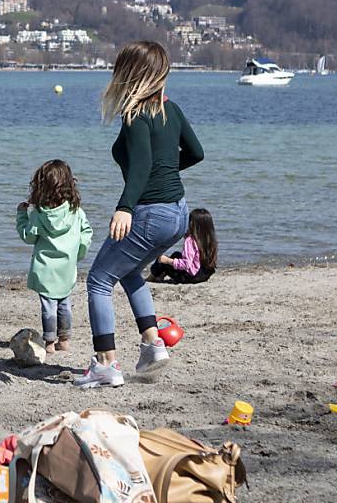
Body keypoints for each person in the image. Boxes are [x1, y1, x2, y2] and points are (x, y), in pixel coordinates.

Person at [75, 41, 204, 389]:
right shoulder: (170, 110)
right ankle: (152, 344)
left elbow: (143, 166)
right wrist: (165, 173)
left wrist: (125, 206)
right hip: (178, 214)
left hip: (149, 213)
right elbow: (196, 152)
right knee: (129, 271)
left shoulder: (135, 116)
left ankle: (106, 364)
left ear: (129, 75)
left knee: (99, 281)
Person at [16, 160, 93, 354]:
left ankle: (49, 342)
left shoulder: (39, 215)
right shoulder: (76, 212)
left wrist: (21, 215)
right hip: (67, 266)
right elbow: (87, 233)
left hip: (45, 268)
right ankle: (64, 339)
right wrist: (78, 252)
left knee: (48, 306)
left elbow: (28, 236)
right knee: (64, 303)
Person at [147, 208, 217, 284]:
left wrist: (168, 260)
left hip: (191, 277)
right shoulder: (209, 239)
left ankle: (151, 277)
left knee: (162, 260)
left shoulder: (190, 240)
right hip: (204, 275)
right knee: (176, 254)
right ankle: (161, 275)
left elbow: (186, 264)